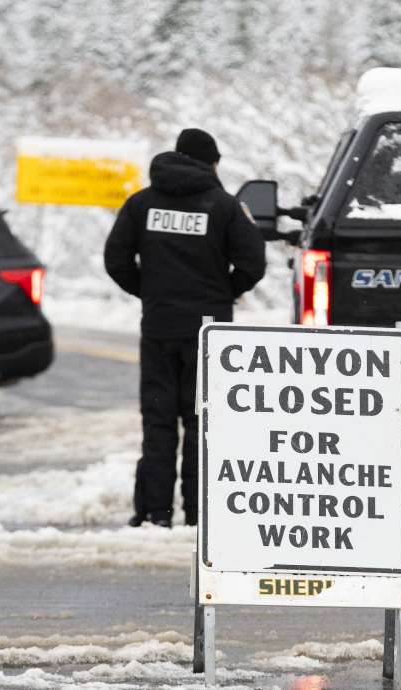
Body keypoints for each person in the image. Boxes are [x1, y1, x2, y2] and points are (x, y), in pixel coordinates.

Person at [104, 128, 267, 528]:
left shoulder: (141, 204)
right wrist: (222, 293)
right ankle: (199, 514)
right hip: (208, 333)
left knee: (157, 420)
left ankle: (155, 512)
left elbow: (116, 259)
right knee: (202, 420)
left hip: (159, 326)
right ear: (209, 161)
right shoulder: (224, 207)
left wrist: (149, 291)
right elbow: (253, 263)